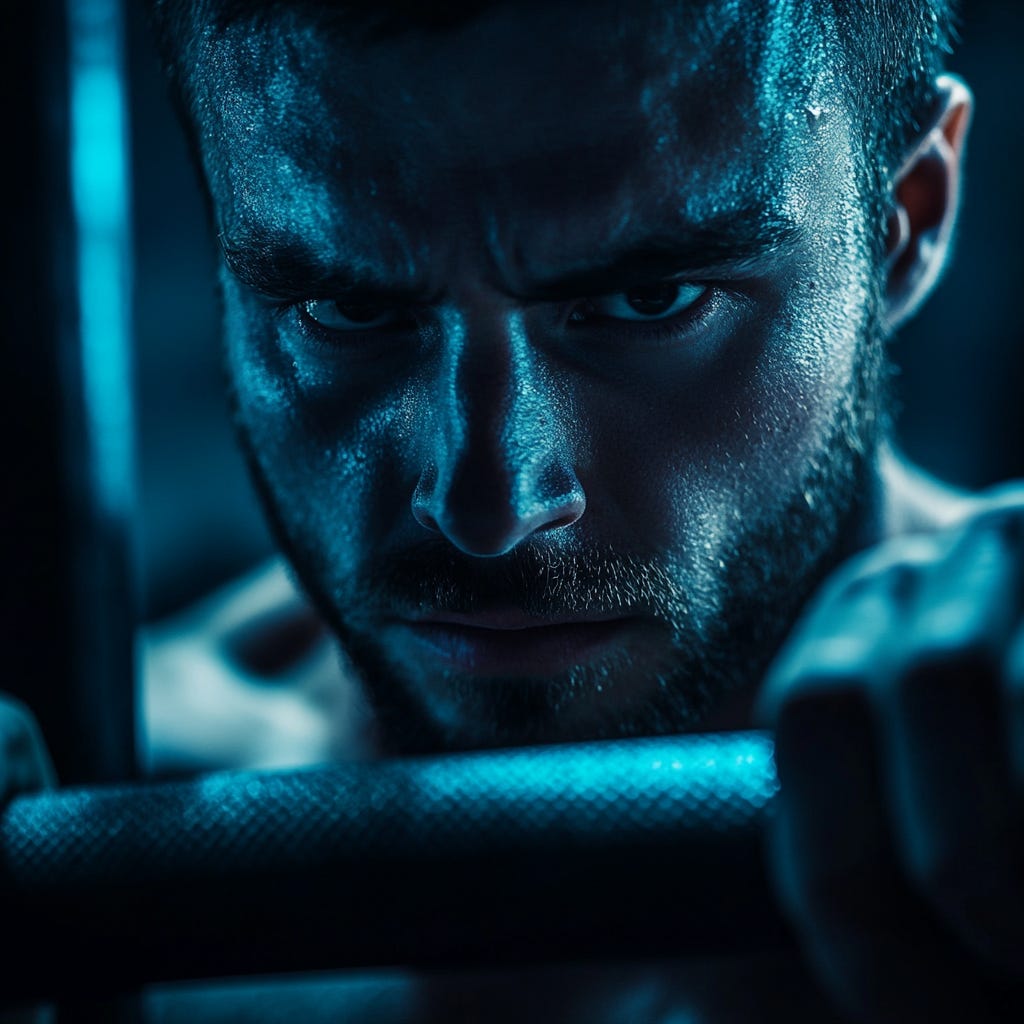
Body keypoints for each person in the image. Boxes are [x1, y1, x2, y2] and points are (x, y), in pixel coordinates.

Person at [5, 0, 1024, 1020]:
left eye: (649, 302)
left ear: (905, 217)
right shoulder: (109, 817)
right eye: (348, 310)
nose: (488, 508)